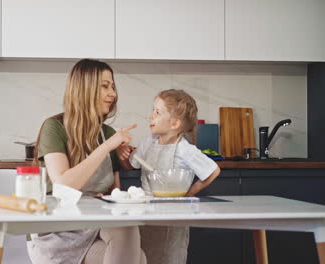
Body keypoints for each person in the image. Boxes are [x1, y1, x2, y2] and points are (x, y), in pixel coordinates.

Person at [29, 58, 146, 264]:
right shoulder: (54, 128)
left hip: (95, 222)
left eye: (113, 87)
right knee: (139, 259)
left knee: (127, 229)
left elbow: (114, 193)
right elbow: (63, 184)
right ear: (84, 89)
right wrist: (107, 147)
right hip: (58, 231)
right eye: (105, 86)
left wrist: (112, 190)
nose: (113, 94)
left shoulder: (107, 133)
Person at [118, 89, 221, 264]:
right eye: (152, 110)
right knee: (143, 257)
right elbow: (132, 165)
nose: (151, 116)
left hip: (173, 216)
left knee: (168, 257)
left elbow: (213, 170)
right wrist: (122, 153)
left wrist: (190, 193)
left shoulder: (184, 149)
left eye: (157, 112)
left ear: (174, 123)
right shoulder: (148, 141)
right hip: (145, 214)